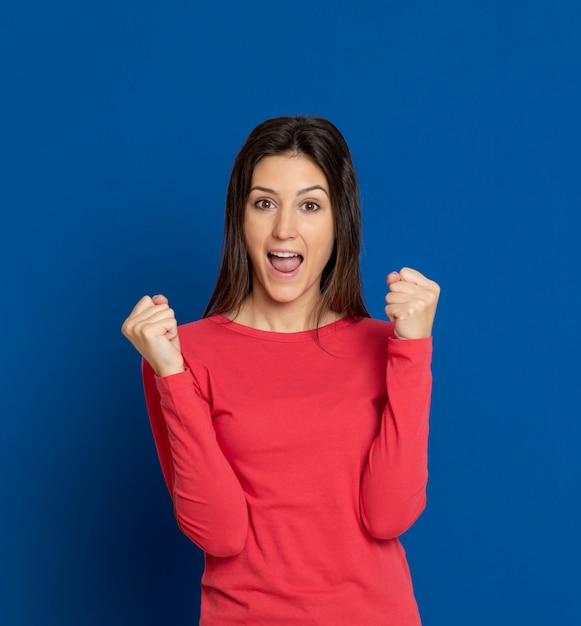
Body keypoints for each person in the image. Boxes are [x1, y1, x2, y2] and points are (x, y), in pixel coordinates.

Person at [122, 115, 440, 625]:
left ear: (340, 221)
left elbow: (389, 515)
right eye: (264, 203)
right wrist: (171, 374)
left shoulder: (389, 346)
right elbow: (219, 531)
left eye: (310, 205)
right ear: (239, 217)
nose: (284, 229)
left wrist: (414, 349)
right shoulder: (183, 355)